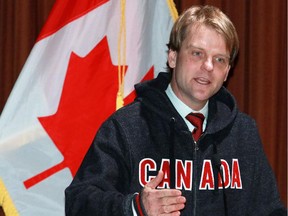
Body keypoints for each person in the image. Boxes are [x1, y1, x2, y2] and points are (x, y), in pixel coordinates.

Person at [65, 5, 286, 216]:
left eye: (219, 59)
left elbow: (270, 211)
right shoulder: (127, 127)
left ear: (227, 71)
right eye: (197, 54)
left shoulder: (242, 133)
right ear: (173, 57)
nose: (208, 67)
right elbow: (79, 202)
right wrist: (135, 207)